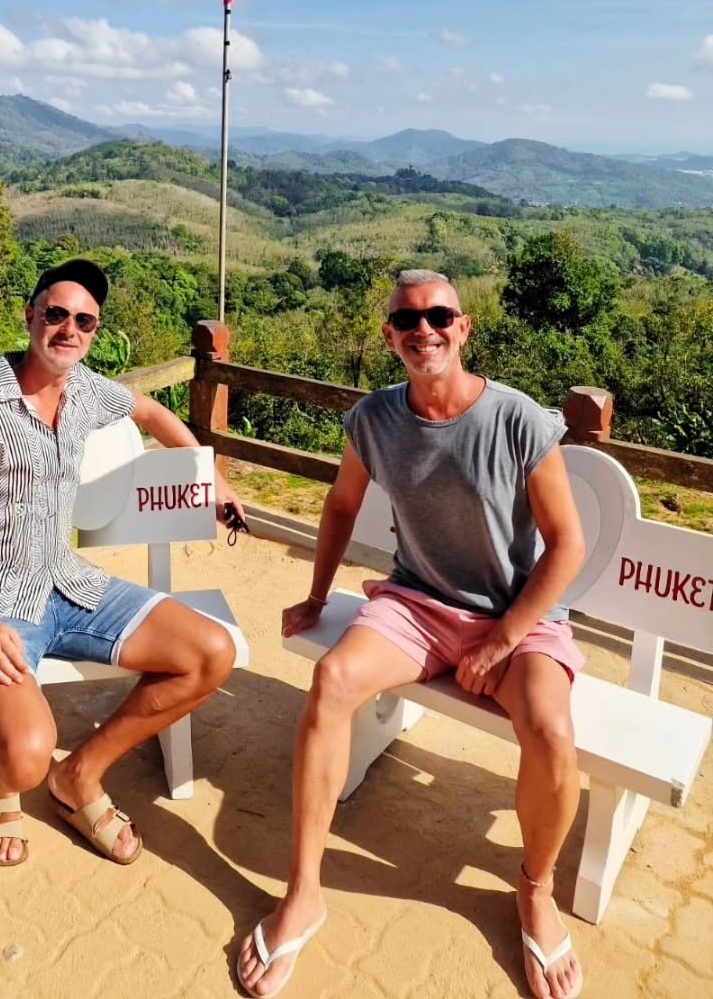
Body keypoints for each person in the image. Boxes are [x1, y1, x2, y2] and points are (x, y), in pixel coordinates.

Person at [238, 270, 587, 999]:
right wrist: (314, 595)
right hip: (419, 603)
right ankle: (305, 887)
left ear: (462, 329)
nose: (423, 329)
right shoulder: (375, 420)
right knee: (331, 681)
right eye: (407, 320)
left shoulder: (520, 419)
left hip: (517, 617)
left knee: (552, 732)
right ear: (390, 336)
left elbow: (566, 547)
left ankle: (535, 887)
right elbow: (339, 507)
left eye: (439, 316)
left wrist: (500, 641)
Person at [0, 258, 245, 868]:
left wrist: (209, 475)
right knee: (26, 756)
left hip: (69, 581)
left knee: (212, 652)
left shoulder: (85, 390)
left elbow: (152, 412)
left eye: (85, 321)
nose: (70, 329)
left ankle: (80, 776)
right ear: (31, 316)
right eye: (57, 314)